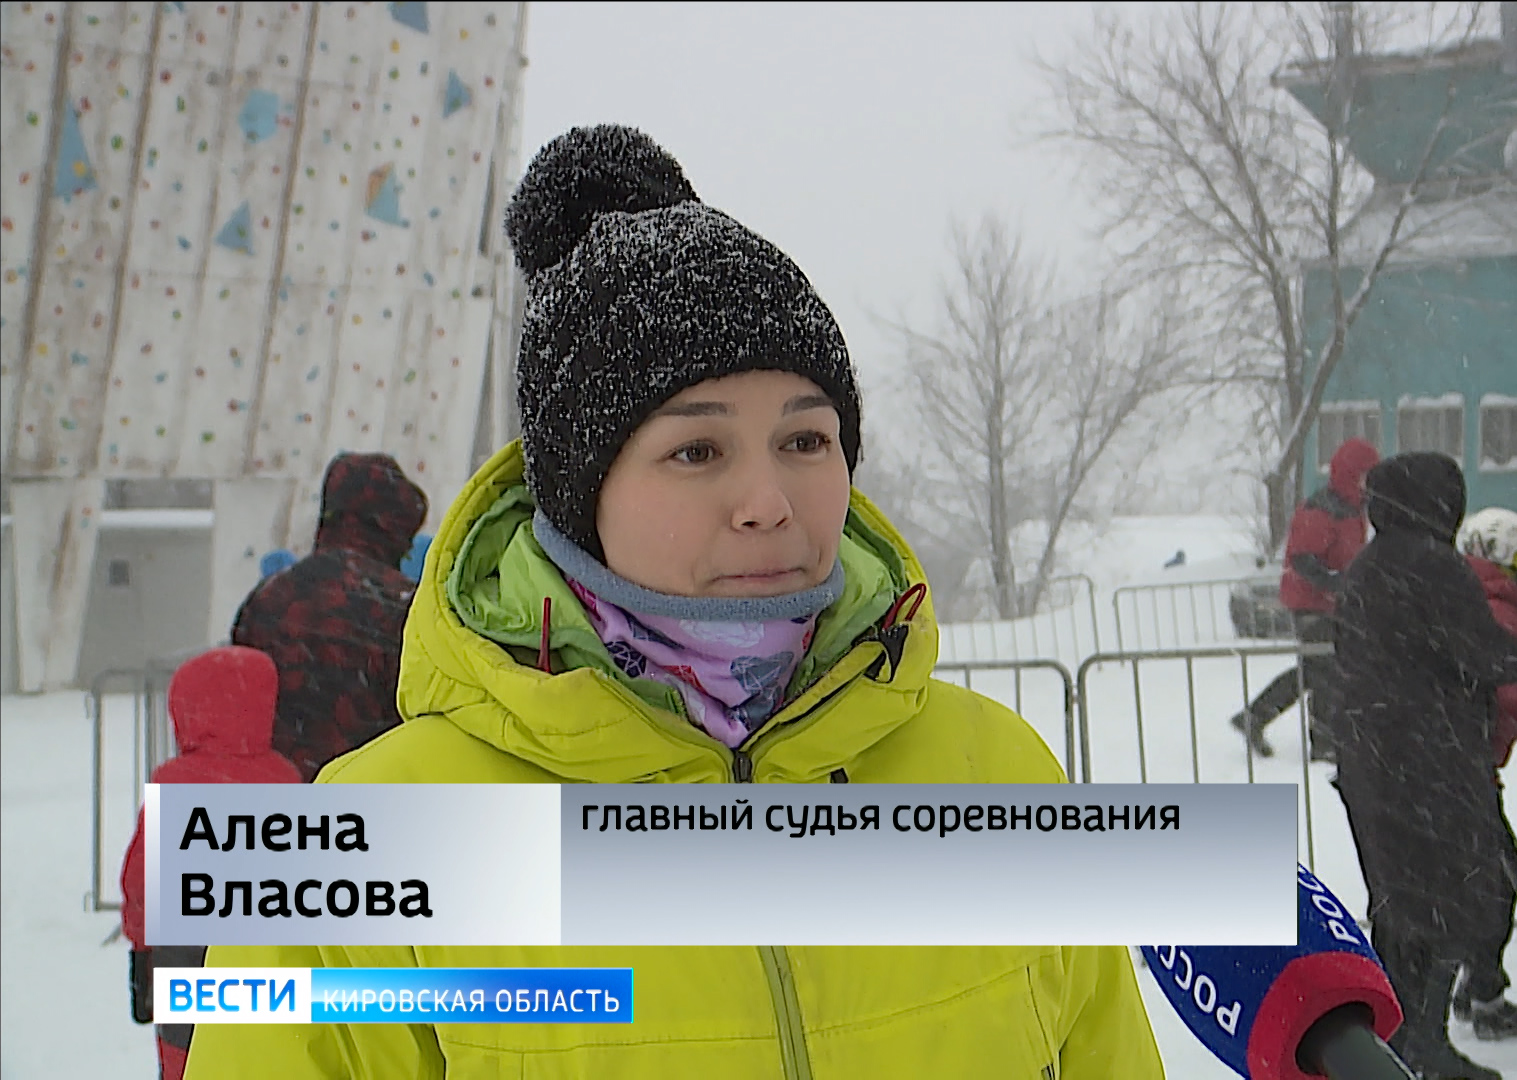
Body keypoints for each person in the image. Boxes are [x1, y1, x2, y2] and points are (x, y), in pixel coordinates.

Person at [184, 125, 1163, 1079]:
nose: (767, 501)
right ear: (581, 495)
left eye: (806, 440)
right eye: (696, 450)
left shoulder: (1000, 776)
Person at [1328, 452, 1517, 1080]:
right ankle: (1425, 1041)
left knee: (1398, 904)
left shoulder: (1366, 568)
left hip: (1371, 757)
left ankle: (1396, 1036)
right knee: (1454, 897)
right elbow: (1482, 652)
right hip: (1431, 761)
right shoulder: (1435, 566)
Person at [118, 646, 302, 1080]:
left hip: (186, 953)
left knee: (187, 1057)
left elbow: (142, 881)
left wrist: (141, 949)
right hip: (265, 955)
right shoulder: (287, 780)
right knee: (263, 1057)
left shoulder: (174, 784)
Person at [228, 451, 427, 781]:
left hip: (278, 799)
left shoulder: (268, 598)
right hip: (373, 793)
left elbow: (239, 704)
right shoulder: (405, 604)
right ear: (392, 529)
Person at [1447, 508, 1517, 1043]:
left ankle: (1474, 982)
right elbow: (1507, 687)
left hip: (1450, 763)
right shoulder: (1499, 611)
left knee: (1476, 875)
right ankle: (1483, 989)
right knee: (1498, 875)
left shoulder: (1455, 596)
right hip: (1469, 767)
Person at [1230, 437, 1377, 760]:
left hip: (1329, 603)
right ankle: (1322, 742)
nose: (1370, 481)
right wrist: (1335, 583)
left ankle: (1257, 716)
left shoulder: (1354, 508)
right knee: (1324, 669)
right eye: (1366, 474)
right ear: (1351, 473)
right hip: (1311, 603)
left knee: (1316, 669)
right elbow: (1302, 559)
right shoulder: (1323, 509)